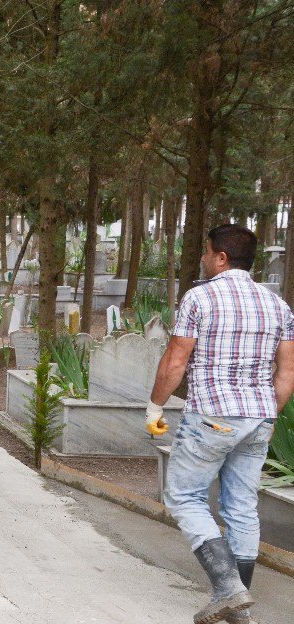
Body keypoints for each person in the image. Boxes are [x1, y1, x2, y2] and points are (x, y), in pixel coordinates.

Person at [148, 224, 294, 624]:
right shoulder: (277, 305)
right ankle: (237, 605)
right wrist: (267, 414)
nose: (202, 257)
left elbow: (176, 361)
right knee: (242, 507)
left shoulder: (200, 298)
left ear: (221, 257)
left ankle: (228, 589)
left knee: (183, 496)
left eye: (206, 251)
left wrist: (155, 408)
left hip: (213, 415)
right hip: (260, 416)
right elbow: (287, 371)